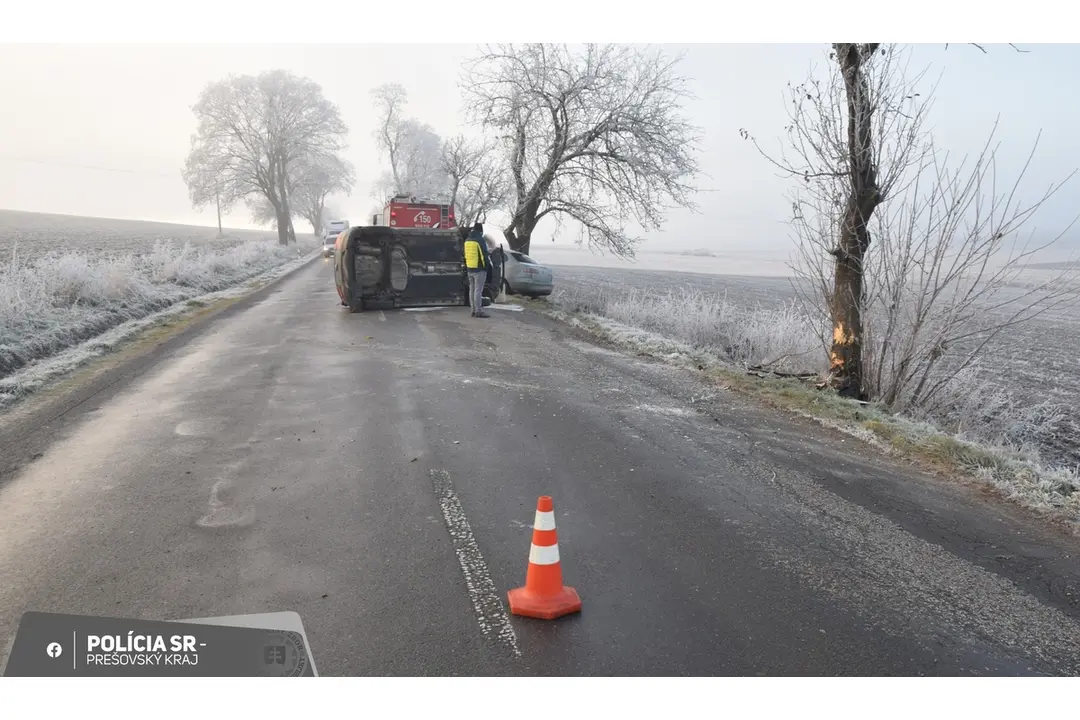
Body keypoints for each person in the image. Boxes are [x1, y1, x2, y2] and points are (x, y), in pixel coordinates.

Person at [463, 222, 491, 318]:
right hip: (479, 269)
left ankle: (473, 310)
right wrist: (486, 266)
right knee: (478, 290)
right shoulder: (480, 240)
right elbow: (484, 255)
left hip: (469, 268)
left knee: (472, 290)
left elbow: (465, 255)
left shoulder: (467, 240)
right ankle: (478, 311)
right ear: (480, 230)